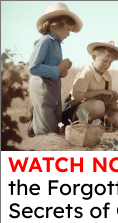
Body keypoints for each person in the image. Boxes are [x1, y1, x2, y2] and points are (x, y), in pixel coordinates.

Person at [28, 2, 83, 137]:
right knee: (48, 132)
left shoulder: (56, 43)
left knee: (55, 116)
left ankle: (35, 121)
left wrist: (63, 68)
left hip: (52, 86)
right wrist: (58, 70)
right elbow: (34, 68)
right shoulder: (46, 40)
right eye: (68, 30)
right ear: (56, 25)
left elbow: (54, 67)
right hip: (42, 86)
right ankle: (37, 127)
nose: (69, 34)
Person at [62, 39, 118, 128]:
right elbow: (77, 96)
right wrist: (101, 92)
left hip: (98, 110)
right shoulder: (86, 73)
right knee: (98, 106)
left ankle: (99, 124)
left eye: (110, 62)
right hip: (76, 109)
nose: (107, 65)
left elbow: (108, 98)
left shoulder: (107, 76)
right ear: (94, 57)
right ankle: (78, 125)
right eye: (104, 61)